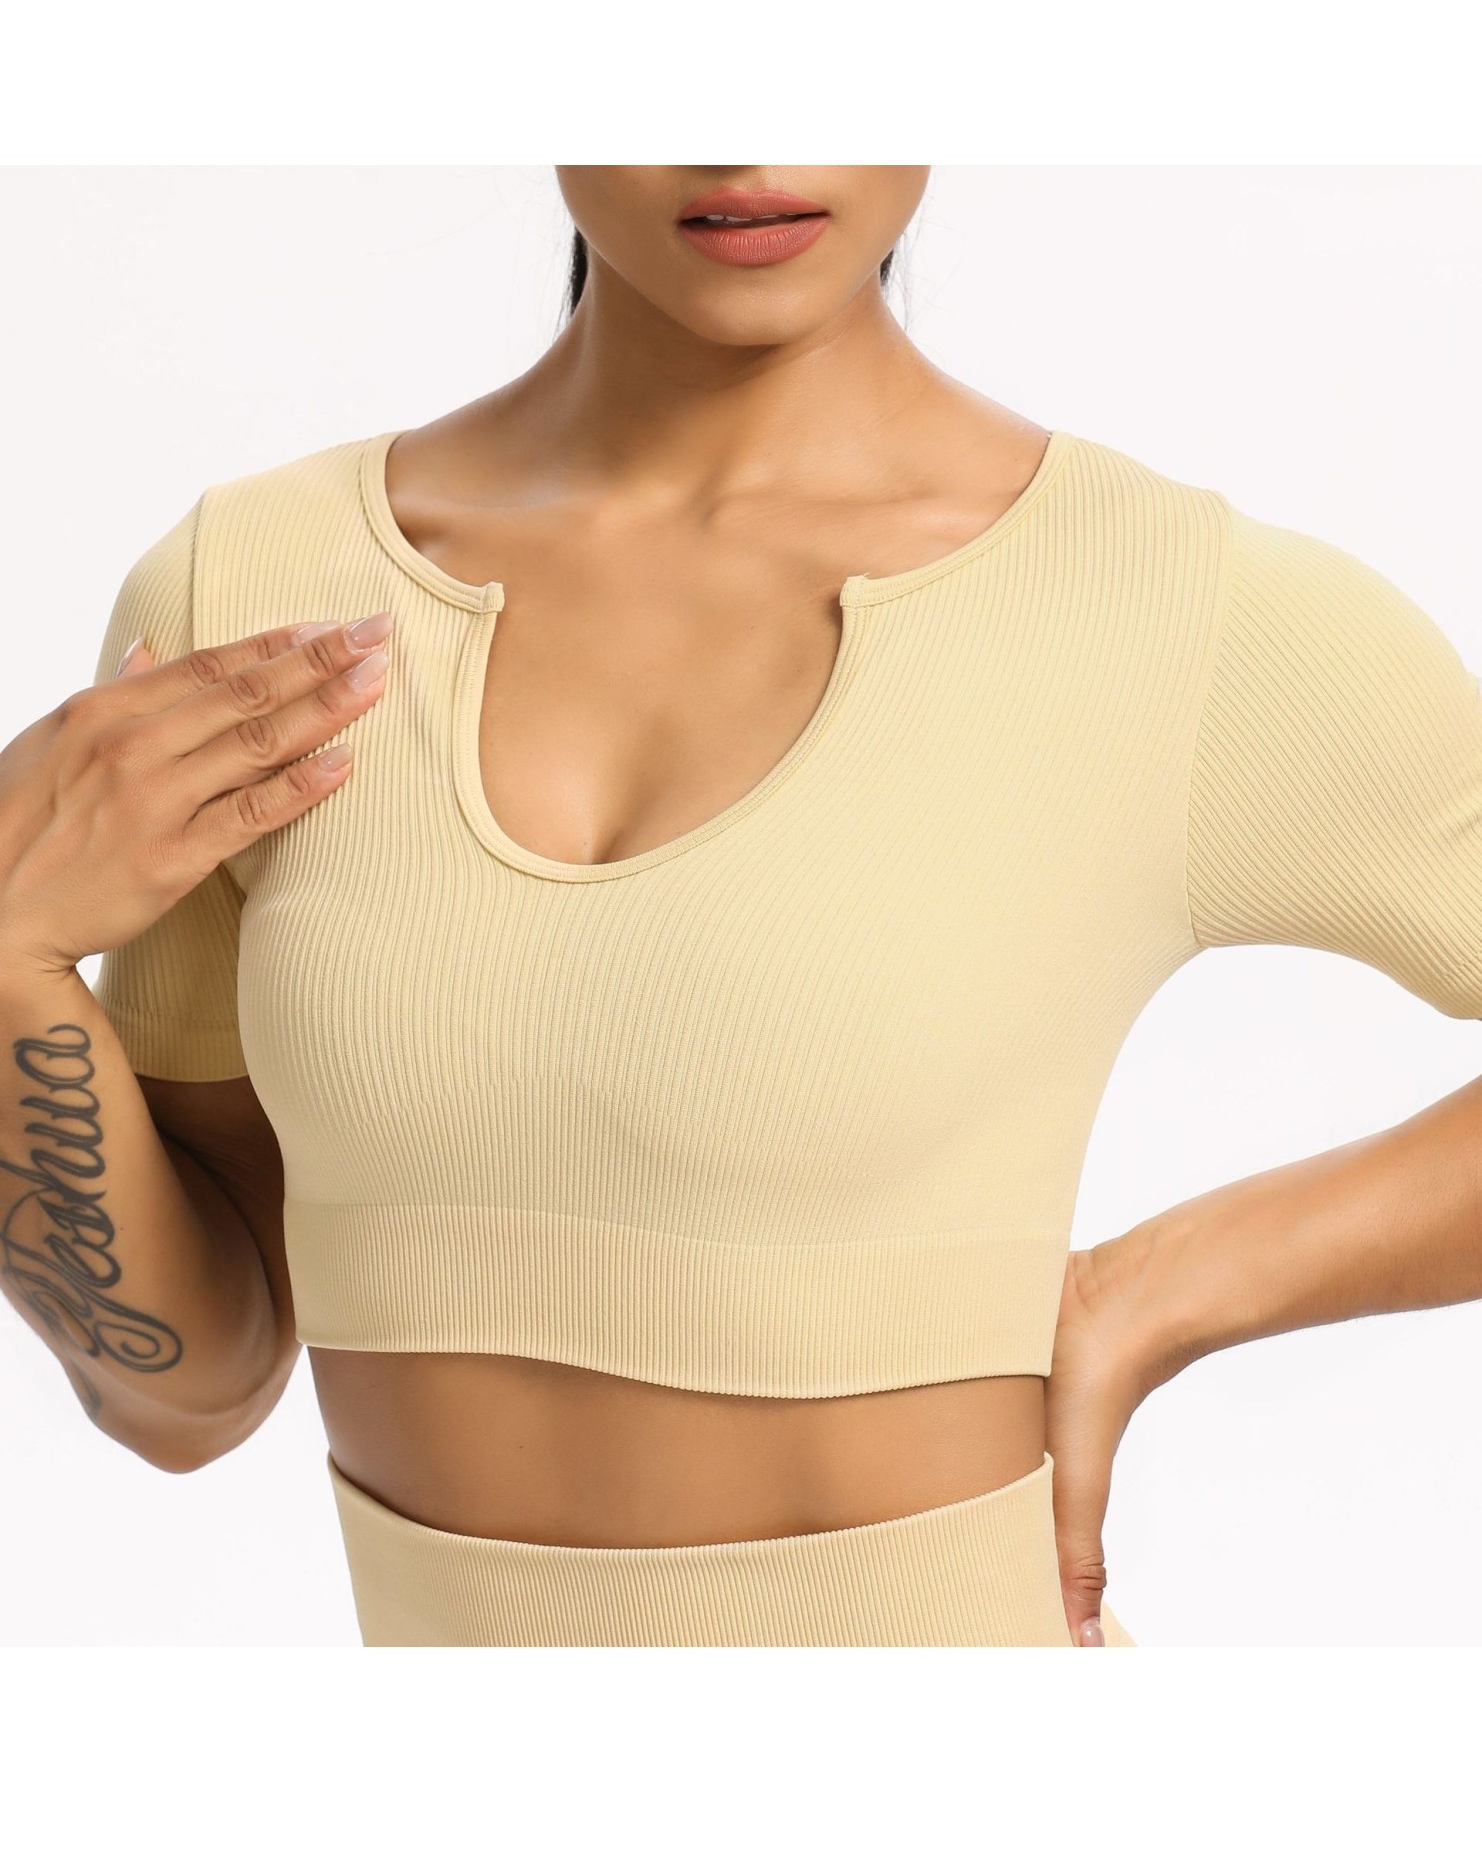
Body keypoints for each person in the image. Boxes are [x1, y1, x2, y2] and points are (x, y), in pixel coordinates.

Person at [4, 165, 1482, 1648]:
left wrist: (1161, 1290)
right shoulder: (250, 594)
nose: (748, 140)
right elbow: (187, 1390)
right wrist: (9, 966)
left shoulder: (1164, 604)